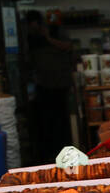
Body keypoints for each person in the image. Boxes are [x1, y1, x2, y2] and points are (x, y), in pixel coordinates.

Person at [24, 10, 75, 162]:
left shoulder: (55, 31)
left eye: (35, 24)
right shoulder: (30, 38)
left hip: (60, 86)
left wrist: (48, 37)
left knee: (62, 122)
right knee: (46, 124)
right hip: (43, 87)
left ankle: (65, 154)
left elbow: (67, 46)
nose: (33, 27)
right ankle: (49, 156)